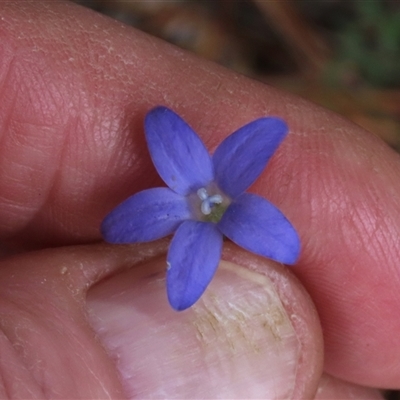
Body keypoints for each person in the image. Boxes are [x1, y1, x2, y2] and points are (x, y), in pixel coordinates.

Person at [0, 1, 397, 398]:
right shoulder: (184, 208)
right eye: (212, 205)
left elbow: (280, 238)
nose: (211, 205)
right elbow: (149, 162)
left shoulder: (233, 207)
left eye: (216, 205)